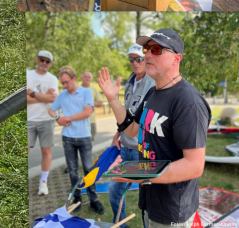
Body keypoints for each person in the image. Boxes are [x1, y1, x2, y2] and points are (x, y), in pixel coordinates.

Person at [97, 29, 210, 228]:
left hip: (173, 210)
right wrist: (113, 100)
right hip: (150, 201)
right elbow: (132, 130)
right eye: (147, 48)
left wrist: (139, 173)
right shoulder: (153, 92)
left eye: (156, 49)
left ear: (177, 58)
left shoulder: (188, 102)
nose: (147, 54)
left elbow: (194, 165)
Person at [107, 44, 156, 228]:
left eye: (139, 59)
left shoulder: (153, 82)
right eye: (132, 59)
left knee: (147, 197)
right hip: (125, 147)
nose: (135, 63)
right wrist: (117, 134)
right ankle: (120, 225)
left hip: (142, 150)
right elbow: (127, 114)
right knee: (114, 189)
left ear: (146, 59)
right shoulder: (130, 82)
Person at [48, 66, 105, 214]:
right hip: (68, 138)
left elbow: (87, 113)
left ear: (74, 79)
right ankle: (77, 198)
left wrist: (66, 118)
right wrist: (57, 118)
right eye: (63, 83)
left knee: (88, 169)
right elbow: (51, 109)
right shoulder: (62, 95)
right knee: (73, 171)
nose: (65, 85)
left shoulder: (86, 92)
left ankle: (94, 199)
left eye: (67, 82)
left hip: (84, 137)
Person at [28, 50, 59, 196]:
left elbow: (53, 99)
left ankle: (43, 182)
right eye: (42, 60)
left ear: (51, 64)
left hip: (46, 119)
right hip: (29, 119)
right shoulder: (28, 75)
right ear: (37, 60)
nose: (44, 63)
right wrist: (45, 96)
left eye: (47, 61)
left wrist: (32, 93)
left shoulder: (52, 79)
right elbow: (24, 99)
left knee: (46, 151)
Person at [81, 71, 104, 141]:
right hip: (78, 121)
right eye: (85, 77)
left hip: (91, 120)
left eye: (89, 77)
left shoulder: (94, 90)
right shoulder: (76, 89)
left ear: (91, 79)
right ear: (81, 78)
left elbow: (100, 103)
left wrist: (91, 105)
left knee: (90, 142)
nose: (87, 79)